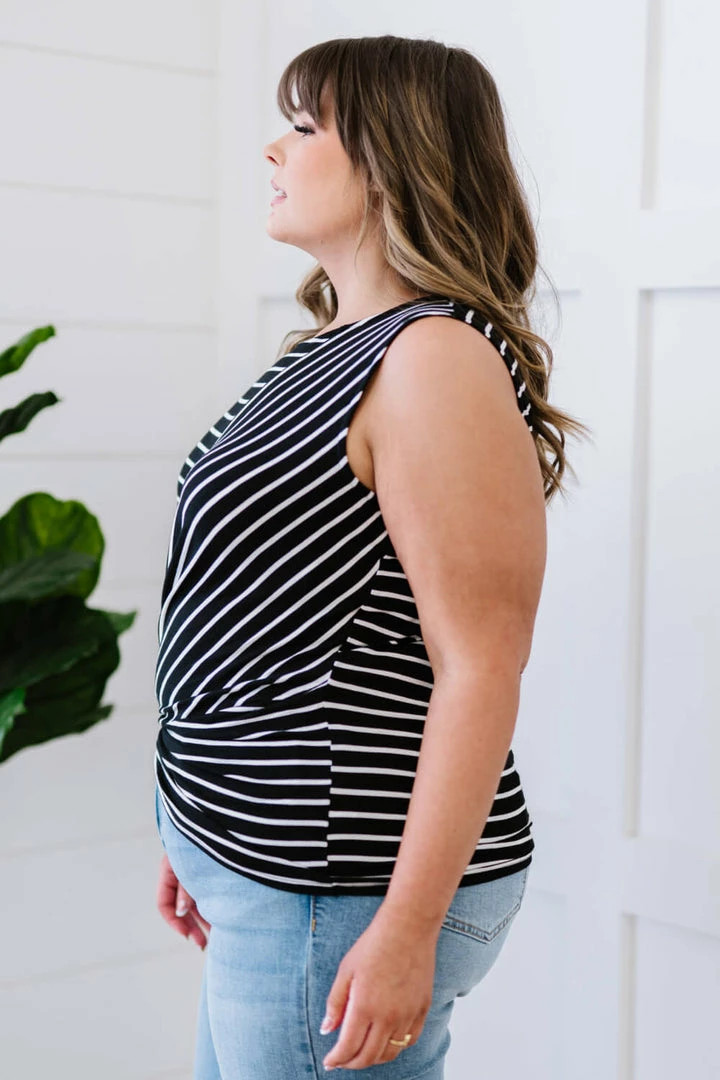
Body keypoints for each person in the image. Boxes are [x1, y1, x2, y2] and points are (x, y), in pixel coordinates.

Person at [153, 34, 589, 1079]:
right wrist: (199, 824)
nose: (273, 148)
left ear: (392, 159)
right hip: (268, 866)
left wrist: (405, 930)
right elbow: (239, 610)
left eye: (304, 128)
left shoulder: (433, 357)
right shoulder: (332, 349)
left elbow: (480, 665)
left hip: (341, 888)